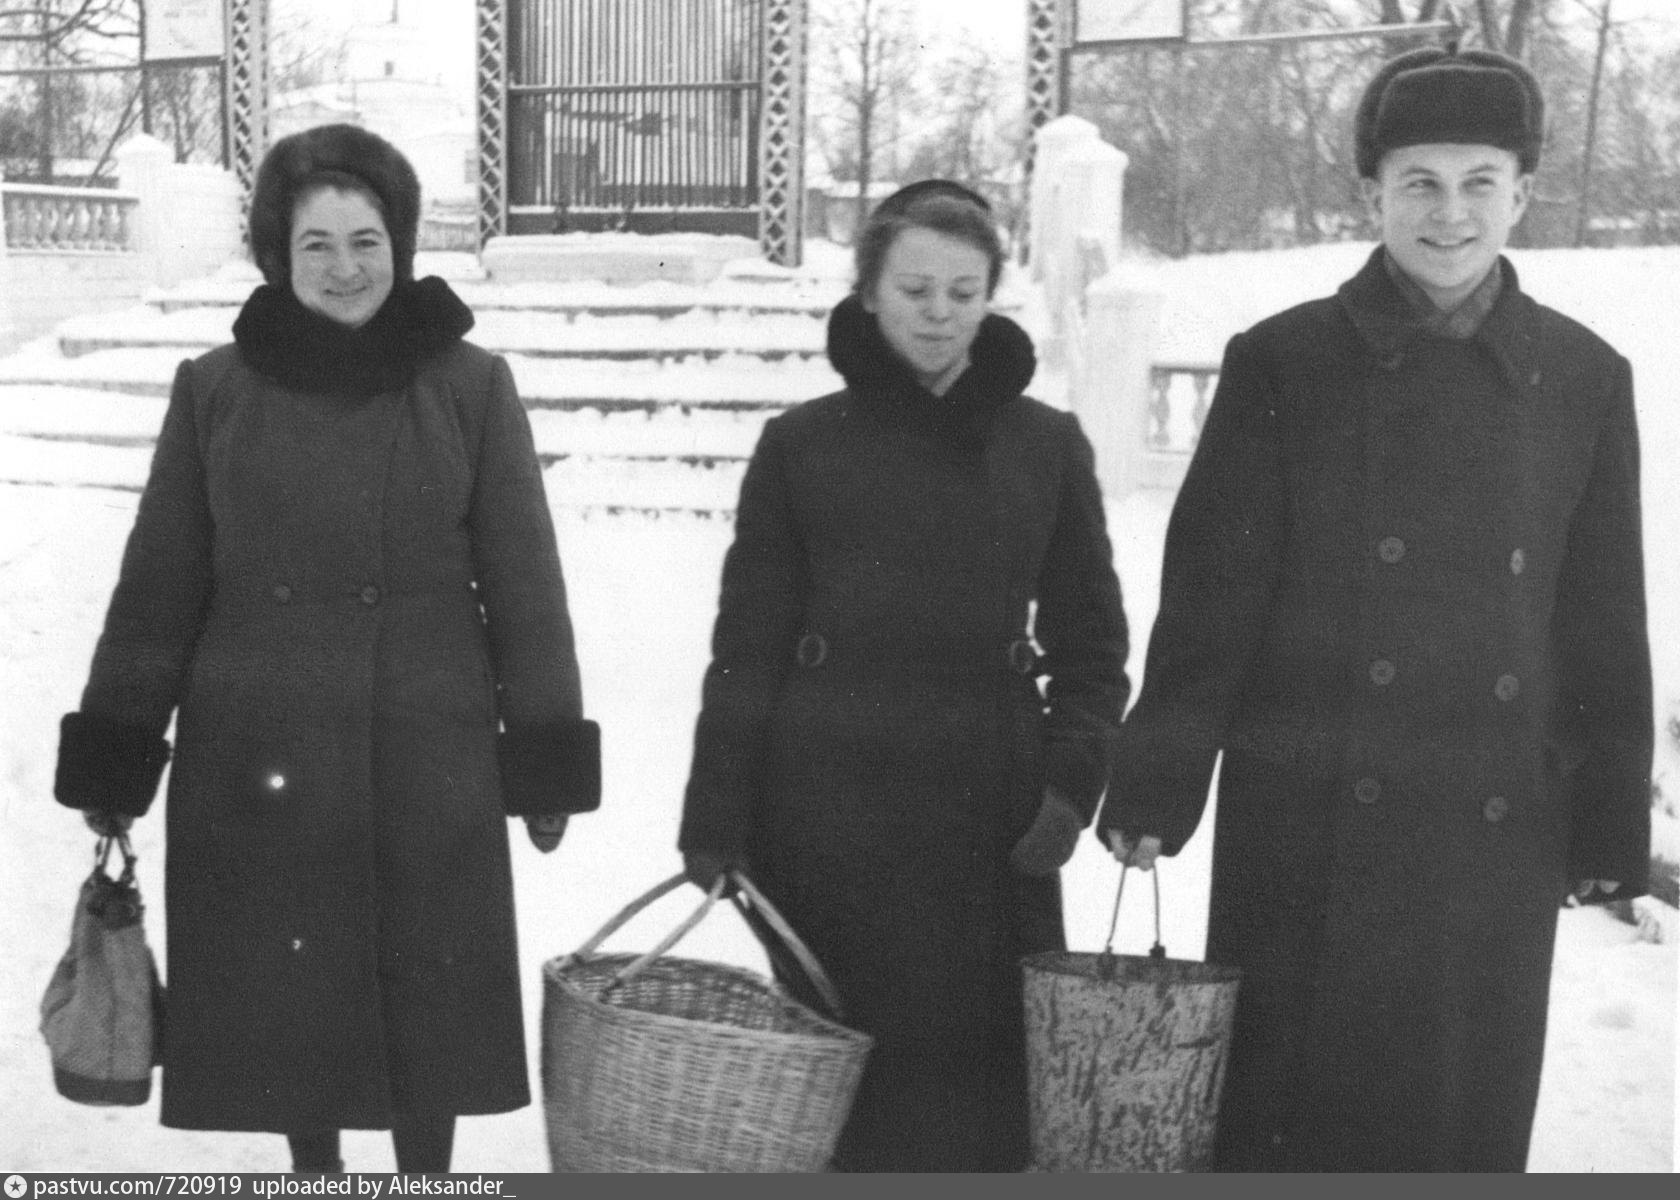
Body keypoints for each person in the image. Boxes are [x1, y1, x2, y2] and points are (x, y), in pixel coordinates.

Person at [1096, 47, 1652, 1172]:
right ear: (1373, 195)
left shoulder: (1586, 376)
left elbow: (1602, 616)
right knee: (1296, 1122)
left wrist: (1607, 819)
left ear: (1523, 193)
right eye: (1419, 183)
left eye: (1479, 181)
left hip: (1488, 823)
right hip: (1311, 815)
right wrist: (1158, 777)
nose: (1450, 214)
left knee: (1457, 1119)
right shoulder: (1283, 363)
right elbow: (1213, 597)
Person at [52, 124, 601, 1174]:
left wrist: (544, 756)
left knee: (426, 1010)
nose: (345, 268)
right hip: (258, 754)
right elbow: (158, 589)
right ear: (277, 254)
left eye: (366, 242)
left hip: (425, 751)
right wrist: (117, 753)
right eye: (317, 245)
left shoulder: (469, 386)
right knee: (287, 1011)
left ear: (401, 246)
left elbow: (528, 590)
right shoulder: (215, 391)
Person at [677, 180, 1130, 1172]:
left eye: (963, 293)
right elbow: (747, 646)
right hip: (827, 814)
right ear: (869, 293)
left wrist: (1068, 786)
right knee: (849, 1104)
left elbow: (1094, 646)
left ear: (991, 297)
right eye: (915, 291)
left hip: (991, 822)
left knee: (979, 1113)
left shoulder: (1044, 446)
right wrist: (716, 814)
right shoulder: (801, 446)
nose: (939, 315)